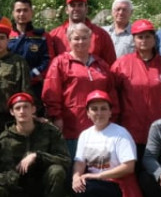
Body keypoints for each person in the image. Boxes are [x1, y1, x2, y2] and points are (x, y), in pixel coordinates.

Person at [0, 92, 71, 197]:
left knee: (57, 171)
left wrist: (38, 156)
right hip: (21, 186)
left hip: (46, 184)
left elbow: (65, 160)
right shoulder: (5, 139)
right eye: (18, 108)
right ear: (11, 112)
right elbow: (3, 170)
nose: (22, 111)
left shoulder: (50, 131)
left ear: (33, 109)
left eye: (26, 107)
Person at [69, 90, 142, 197]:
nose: (99, 113)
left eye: (103, 109)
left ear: (110, 112)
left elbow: (128, 167)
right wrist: (76, 177)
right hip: (94, 184)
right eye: (94, 109)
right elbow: (80, 161)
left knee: (85, 188)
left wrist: (98, 176)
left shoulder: (120, 133)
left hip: (116, 185)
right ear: (88, 113)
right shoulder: (85, 134)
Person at [42, 23, 118, 155]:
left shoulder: (101, 64)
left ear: (90, 39)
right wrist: (57, 117)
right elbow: (51, 93)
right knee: (75, 163)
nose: (81, 42)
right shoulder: (60, 63)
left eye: (84, 38)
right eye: (76, 38)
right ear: (69, 40)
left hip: (99, 124)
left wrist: (113, 118)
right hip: (72, 126)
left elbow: (112, 93)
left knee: (98, 163)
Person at [111, 20, 161, 152]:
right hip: (129, 129)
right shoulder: (122, 64)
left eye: (148, 36)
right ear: (134, 40)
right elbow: (112, 93)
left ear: (154, 39)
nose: (144, 40)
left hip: (160, 129)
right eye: (140, 37)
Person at [46, 0, 117, 64]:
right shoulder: (55, 35)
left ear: (86, 9)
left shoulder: (101, 35)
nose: (76, 8)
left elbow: (111, 64)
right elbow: (48, 64)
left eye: (80, 5)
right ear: (66, 10)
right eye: (73, 5)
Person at [8, 0, 50, 107]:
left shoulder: (42, 37)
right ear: (13, 13)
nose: (22, 14)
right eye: (18, 10)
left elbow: (48, 61)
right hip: (10, 86)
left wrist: (33, 74)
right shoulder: (6, 36)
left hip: (35, 86)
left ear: (32, 12)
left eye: (25, 10)